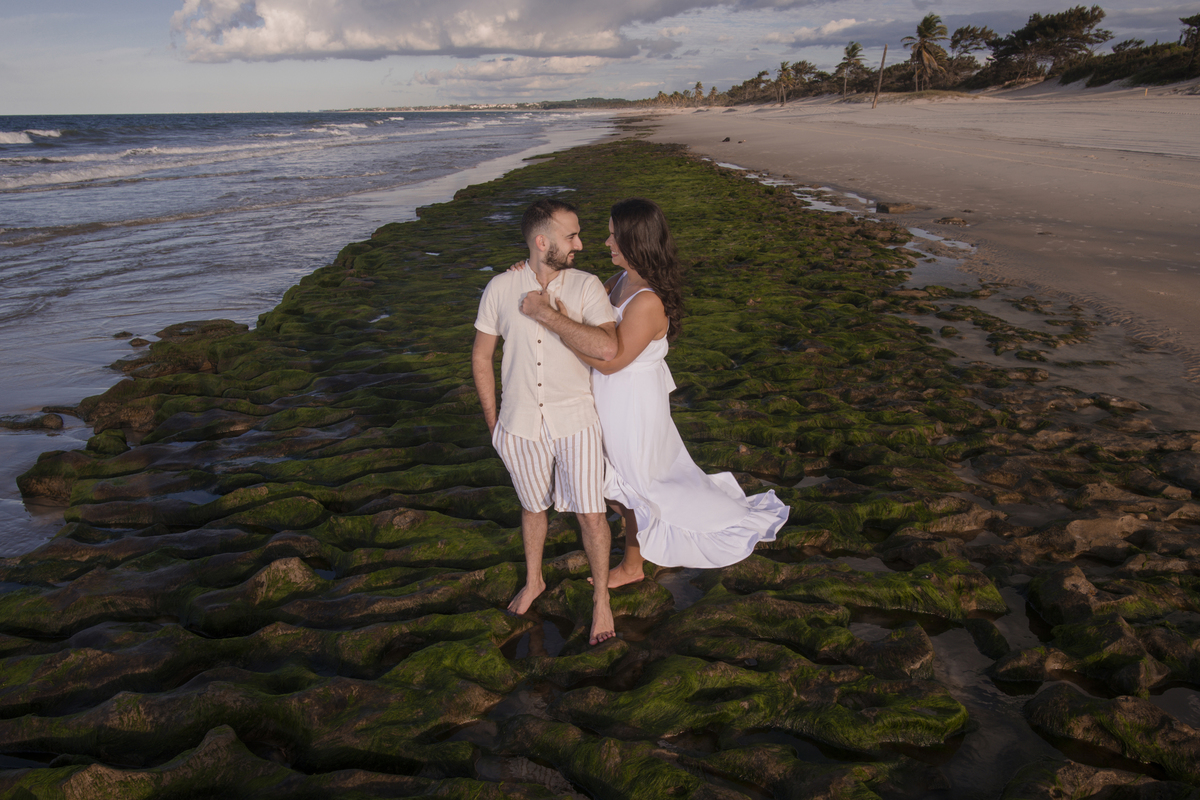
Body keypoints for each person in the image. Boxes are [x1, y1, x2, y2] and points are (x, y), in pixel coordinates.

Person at [511, 198, 789, 587]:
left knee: (635, 484)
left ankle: (631, 566)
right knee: (613, 482)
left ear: (635, 240)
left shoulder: (647, 302)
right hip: (608, 399)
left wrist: (556, 326)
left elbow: (609, 360)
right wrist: (526, 273)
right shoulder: (619, 281)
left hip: (632, 406)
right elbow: (578, 305)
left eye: (613, 234)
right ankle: (636, 555)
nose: (605, 241)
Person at [472, 198, 620, 646]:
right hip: (518, 425)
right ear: (542, 241)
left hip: (576, 419)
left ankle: (600, 603)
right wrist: (495, 423)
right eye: (571, 235)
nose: (581, 242)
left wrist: (547, 313)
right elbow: (481, 357)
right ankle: (535, 579)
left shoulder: (587, 286)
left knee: (591, 515)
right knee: (532, 506)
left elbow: (607, 348)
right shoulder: (500, 287)